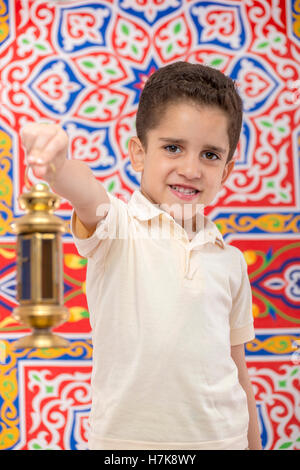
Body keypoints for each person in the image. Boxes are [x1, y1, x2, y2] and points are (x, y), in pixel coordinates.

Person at [21, 61, 262, 450]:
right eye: (172, 148)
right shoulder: (115, 227)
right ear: (138, 154)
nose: (191, 169)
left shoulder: (229, 259)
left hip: (224, 440)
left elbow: (237, 367)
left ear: (227, 170)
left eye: (210, 155)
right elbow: (85, 189)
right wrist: (58, 166)